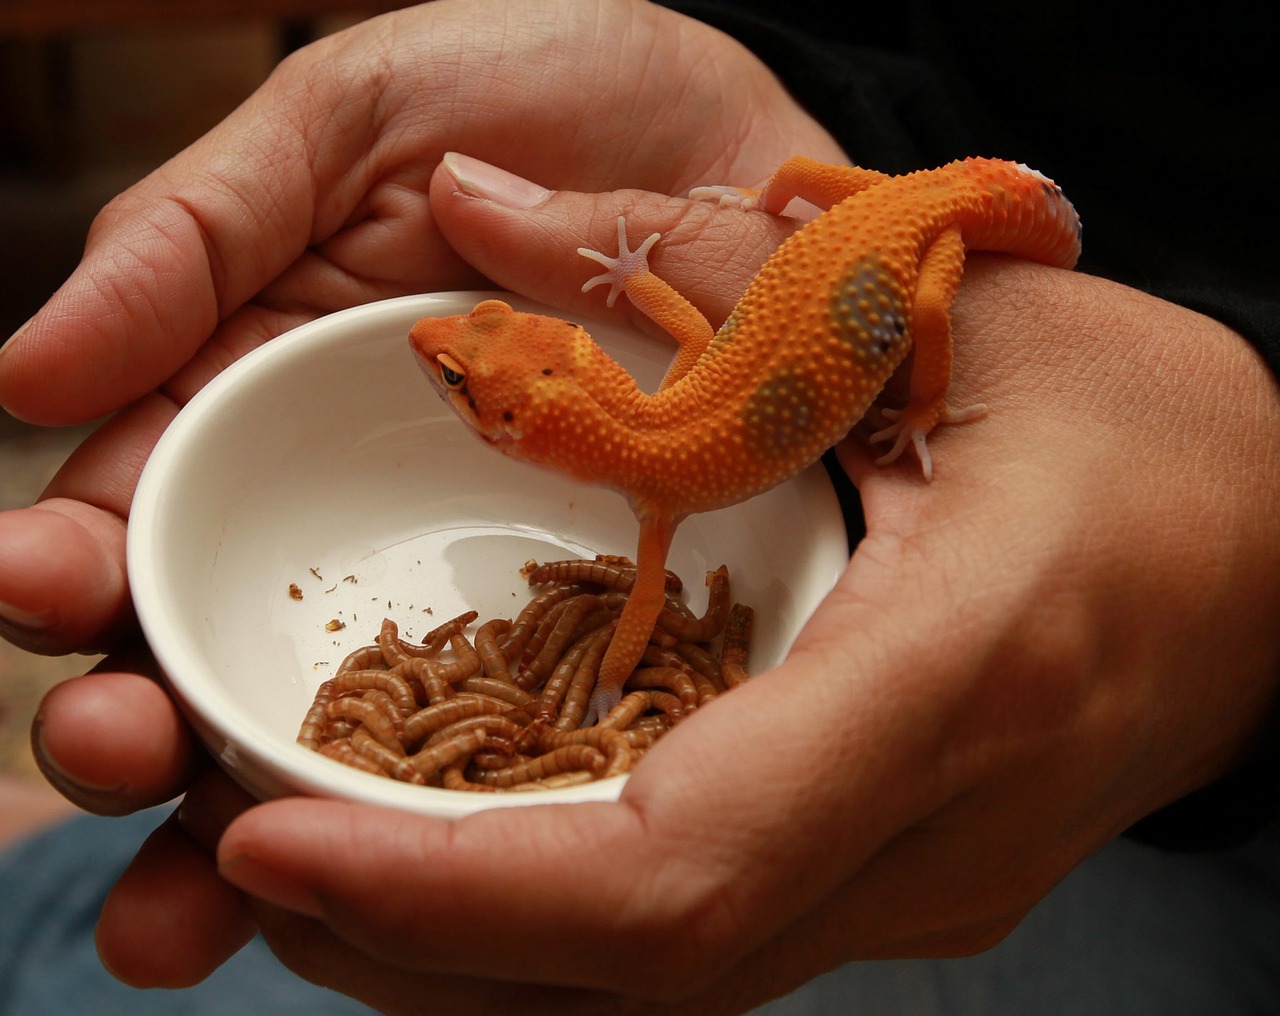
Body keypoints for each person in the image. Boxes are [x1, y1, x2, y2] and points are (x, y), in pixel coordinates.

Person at [0, 1, 1277, 1012]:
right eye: (468, 358)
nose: (449, 355)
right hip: (891, 187)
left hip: (932, 240)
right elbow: (669, 306)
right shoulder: (662, 421)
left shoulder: (658, 478)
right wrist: (764, 143)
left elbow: (638, 601)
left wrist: (950, 413)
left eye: (459, 373)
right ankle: (42, 872)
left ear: (515, 418)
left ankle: (38, 871)